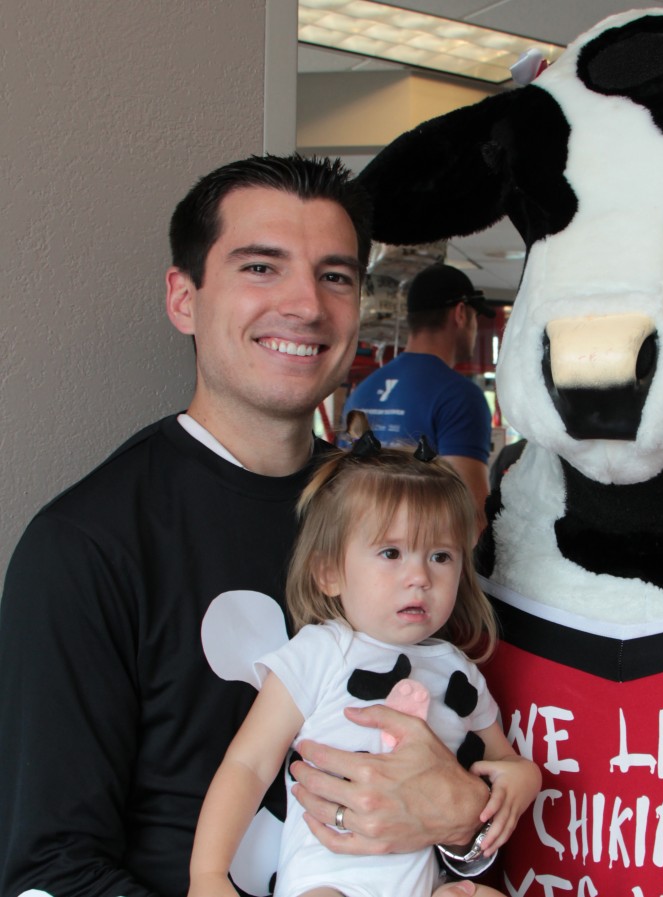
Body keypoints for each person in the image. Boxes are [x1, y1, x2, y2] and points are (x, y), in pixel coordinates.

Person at [0, 155, 491, 897]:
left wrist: (464, 822)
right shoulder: (86, 546)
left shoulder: (401, 523)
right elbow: (47, 869)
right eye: (261, 267)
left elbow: (465, 765)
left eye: (335, 275)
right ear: (183, 298)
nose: (304, 304)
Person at [189, 440, 540, 897]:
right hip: (327, 881)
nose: (420, 576)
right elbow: (249, 764)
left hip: (424, 882)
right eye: (391, 553)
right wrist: (209, 875)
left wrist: (524, 777)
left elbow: (504, 758)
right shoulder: (321, 652)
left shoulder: (458, 672)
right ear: (330, 572)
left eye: (440, 556)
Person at [346, 264, 494, 533]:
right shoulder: (460, 396)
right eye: (474, 318)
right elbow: (472, 515)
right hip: (418, 561)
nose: (474, 330)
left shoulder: (363, 390)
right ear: (460, 314)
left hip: (363, 555)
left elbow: (340, 486)